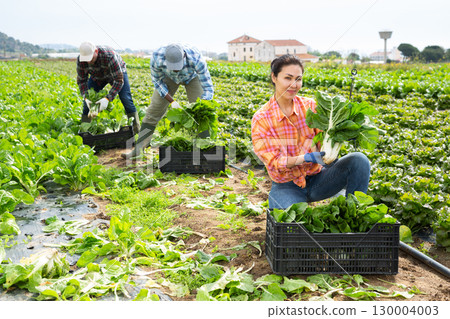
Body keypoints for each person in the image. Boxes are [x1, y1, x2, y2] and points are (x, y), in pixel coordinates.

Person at [251, 54, 370, 210]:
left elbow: (330, 133)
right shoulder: (261, 119)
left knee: (359, 160)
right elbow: (275, 162)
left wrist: (347, 130)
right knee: (292, 221)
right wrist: (304, 158)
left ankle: (355, 212)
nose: (294, 84)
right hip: (287, 185)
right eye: (288, 78)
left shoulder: (311, 106)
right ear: (274, 77)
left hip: (320, 179)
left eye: (298, 79)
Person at [122, 43, 214, 159]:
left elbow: (208, 87)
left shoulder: (196, 58)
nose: (176, 69)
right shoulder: (157, 57)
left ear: (184, 57)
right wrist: (172, 101)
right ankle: (139, 149)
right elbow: (157, 82)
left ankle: (206, 150)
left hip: (192, 77)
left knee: (201, 113)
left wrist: (201, 105)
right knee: (154, 110)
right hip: (168, 78)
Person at [76, 41, 140, 134]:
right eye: (86, 59)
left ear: (96, 51)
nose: (89, 61)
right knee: (86, 105)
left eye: (91, 58)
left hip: (115, 74)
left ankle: (136, 131)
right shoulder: (81, 61)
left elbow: (118, 81)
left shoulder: (109, 56)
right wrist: (86, 97)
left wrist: (107, 98)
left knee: (126, 98)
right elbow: (82, 81)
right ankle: (84, 132)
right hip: (96, 77)